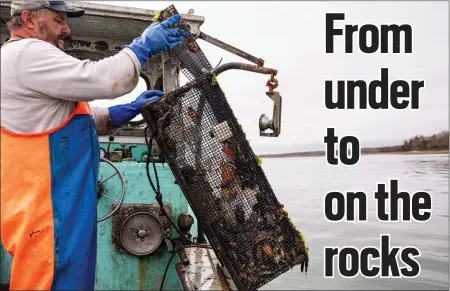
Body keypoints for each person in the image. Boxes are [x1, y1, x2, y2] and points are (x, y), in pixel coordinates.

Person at [0, 1, 188, 290]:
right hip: (49, 215)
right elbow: (105, 78)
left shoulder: (19, 62)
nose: (66, 28)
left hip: (52, 211)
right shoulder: (26, 53)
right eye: (58, 20)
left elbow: (68, 119)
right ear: (28, 19)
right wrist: (143, 46)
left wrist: (124, 111)